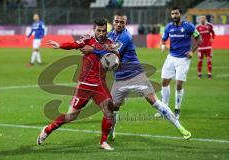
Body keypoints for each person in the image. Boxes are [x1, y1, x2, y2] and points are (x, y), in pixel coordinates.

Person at [81, 13, 191, 142]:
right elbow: (99, 41)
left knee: (154, 102)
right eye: (117, 21)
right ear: (113, 22)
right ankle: (112, 132)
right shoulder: (110, 35)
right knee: (113, 108)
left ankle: (180, 127)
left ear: (125, 23)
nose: (119, 24)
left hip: (136, 75)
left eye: (122, 22)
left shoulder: (126, 37)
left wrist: (92, 50)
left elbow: (111, 53)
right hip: (120, 79)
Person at [37, 17, 117, 151]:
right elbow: (74, 44)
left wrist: (93, 51)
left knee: (108, 111)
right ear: (94, 29)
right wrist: (60, 45)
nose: (102, 33)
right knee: (70, 116)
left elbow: (116, 56)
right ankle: (48, 129)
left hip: (99, 85)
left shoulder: (110, 43)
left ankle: (103, 142)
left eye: (104, 31)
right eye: (99, 30)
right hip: (84, 85)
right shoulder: (87, 39)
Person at [157, 7, 202, 120]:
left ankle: (177, 110)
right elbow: (163, 39)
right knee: (164, 82)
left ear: (180, 14)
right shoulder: (168, 27)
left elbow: (199, 38)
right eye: (172, 14)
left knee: (178, 84)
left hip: (183, 59)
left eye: (176, 13)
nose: (174, 15)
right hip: (171, 58)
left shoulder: (189, 26)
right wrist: (163, 45)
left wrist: (192, 51)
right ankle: (164, 108)